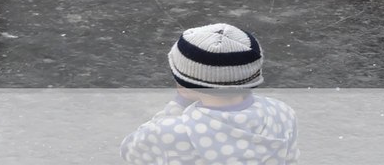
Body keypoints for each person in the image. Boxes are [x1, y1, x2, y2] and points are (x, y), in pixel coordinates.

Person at [121, 23, 299, 164]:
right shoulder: (282, 113)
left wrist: (177, 105)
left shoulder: (167, 132)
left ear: (186, 82)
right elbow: (290, 159)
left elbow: (131, 153)